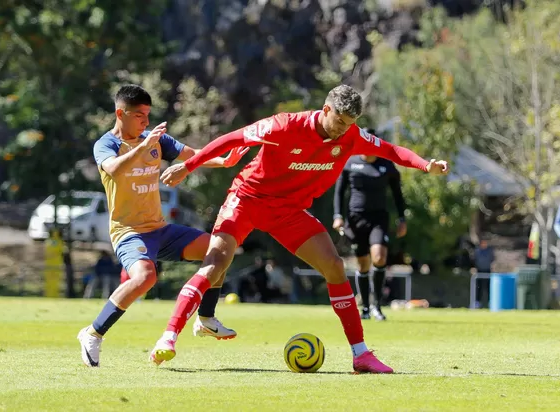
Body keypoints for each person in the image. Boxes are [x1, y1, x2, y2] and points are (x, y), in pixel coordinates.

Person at [152, 84, 449, 373]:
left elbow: (392, 151)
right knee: (215, 265)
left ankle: (361, 354)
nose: (343, 130)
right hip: (247, 199)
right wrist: (188, 166)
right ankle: (169, 336)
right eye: (340, 121)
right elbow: (231, 139)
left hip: (288, 212)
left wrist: (426, 166)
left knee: (334, 266)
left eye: (350, 124)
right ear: (326, 109)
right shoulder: (282, 126)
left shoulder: (351, 136)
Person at [77, 84, 248, 367]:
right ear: (121, 113)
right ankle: (93, 333)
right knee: (146, 277)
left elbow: (194, 154)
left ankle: (206, 318)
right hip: (128, 232)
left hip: (160, 229)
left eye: (148, 115)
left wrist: (224, 160)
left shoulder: (156, 139)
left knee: (218, 249)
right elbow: (114, 169)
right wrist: (143, 146)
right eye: (140, 116)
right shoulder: (106, 145)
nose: (146, 122)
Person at [332, 129, 407, 321]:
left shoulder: (386, 166)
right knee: (363, 263)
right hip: (356, 220)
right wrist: (338, 216)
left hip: (378, 219)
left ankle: (377, 306)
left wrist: (401, 218)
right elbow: (339, 191)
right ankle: (365, 308)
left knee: (379, 257)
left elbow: (398, 195)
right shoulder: (350, 163)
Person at [474, 238, 494, 308]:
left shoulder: (489, 251)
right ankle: (477, 302)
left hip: (487, 270)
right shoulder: (477, 251)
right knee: (479, 287)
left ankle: (490, 302)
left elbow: (492, 259)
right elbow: (475, 260)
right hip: (479, 271)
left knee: (489, 287)